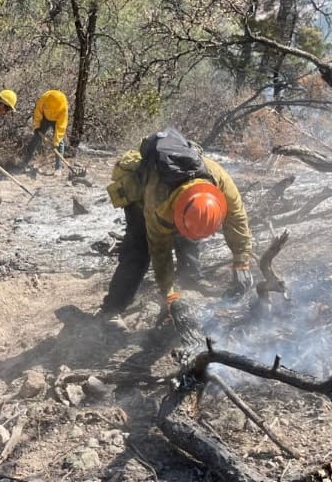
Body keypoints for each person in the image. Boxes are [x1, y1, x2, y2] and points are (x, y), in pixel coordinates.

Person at [100, 128, 253, 331]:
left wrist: (241, 262)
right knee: (138, 252)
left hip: (182, 204)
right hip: (141, 201)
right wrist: (169, 294)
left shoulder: (217, 178)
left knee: (189, 241)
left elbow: (238, 220)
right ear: (178, 215)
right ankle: (112, 310)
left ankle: (190, 284)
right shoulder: (158, 204)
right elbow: (160, 254)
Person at [22, 89, 69, 169]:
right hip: (44, 118)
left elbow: (61, 126)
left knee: (60, 143)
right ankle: (24, 163)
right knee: (36, 138)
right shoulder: (44, 98)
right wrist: (37, 127)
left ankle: (58, 167)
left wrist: (56, 141)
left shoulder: (63, 106)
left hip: (57, 120)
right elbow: (38, 112)